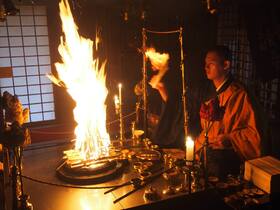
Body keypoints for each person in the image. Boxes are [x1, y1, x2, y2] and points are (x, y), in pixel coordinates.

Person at [195, 45, 266, 179]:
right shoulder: (214, 94)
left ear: (226, 65)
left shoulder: (240, 95)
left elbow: (255, 136)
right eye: (205, 64)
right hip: (212, 153)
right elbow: (209, 132)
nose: (206, 68)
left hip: (231, 159)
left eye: (211, 63)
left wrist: (230, 138)